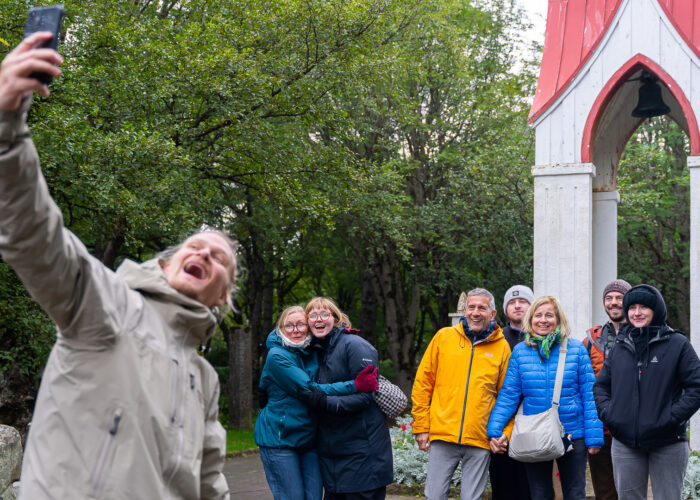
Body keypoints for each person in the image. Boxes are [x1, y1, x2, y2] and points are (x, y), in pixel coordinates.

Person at [0, 35, 232, 498]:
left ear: (223, 297)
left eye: (220, 258)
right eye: (194, 247)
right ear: (164, 266)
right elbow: (33, 233)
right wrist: (6, 128)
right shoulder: (107, 304)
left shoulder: (204, 379)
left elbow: (209, 484)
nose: (204, 253)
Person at [255, 305, 379, 500]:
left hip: (308, 438)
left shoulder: (311, 350)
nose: (295, 330)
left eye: (300, 324)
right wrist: (355, 384)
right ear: (280, 329)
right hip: (280, 438)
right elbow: (311, 389)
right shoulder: (277, 356)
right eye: (289, 326)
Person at [487, 296, 603, 500]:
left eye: (549, 315)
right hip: (535, 433)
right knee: (540, 494)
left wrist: (594, 436)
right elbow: (508, 395)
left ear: (558, 320)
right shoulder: (521, 352)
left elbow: (590, 395)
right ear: (530, 320)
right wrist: (494, 430)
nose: (543, 320)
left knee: (575, 493)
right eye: (538, 315)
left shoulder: (576, 350)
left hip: (572, 435)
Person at [593, 284, 700, 500]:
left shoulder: (678, 344)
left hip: (668, 441)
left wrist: (672, 417)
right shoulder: (621, 345)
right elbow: (601, 386)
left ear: (656, 310)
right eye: (632, 307)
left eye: (644, 307)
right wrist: (612, 415)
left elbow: (696, 386)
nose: (637, 312)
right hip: (625, 443)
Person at [412, 288, 511, 500]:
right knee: (434, 496)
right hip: (443, 435)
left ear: (492, 314)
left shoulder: (502, 347)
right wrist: (421, 426)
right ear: (465, 311)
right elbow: (422, 384)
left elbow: (508, 397)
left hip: (480, 438)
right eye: (471, 307)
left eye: (482, 308)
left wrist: (504, 433)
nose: (475, 312)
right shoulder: (443, 337)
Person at [301, 297, 392, 500]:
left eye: (325, 314)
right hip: (334, 453)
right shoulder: (315, 350)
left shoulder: (355, 346)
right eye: (312, 315)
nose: (319, 319)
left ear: (335, 318)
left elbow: (366, 396)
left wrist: (324, 402)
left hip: (363, 453)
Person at [584, 279, 631, 500]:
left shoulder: (642, 336)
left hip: (632, 428)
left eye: (619, 298)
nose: (614, 303)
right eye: (609, 298)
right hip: (600, 429)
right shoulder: (591, 340)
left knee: (631, 490)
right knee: (605, 492)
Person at [489, 285, 534, 500]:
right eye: (512, 302)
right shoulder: (496, 338)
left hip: (533, 422)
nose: (517, 306)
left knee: (532, 486)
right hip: (501, 422)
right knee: (503, 485)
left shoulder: (540, 337)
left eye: (523, 302)